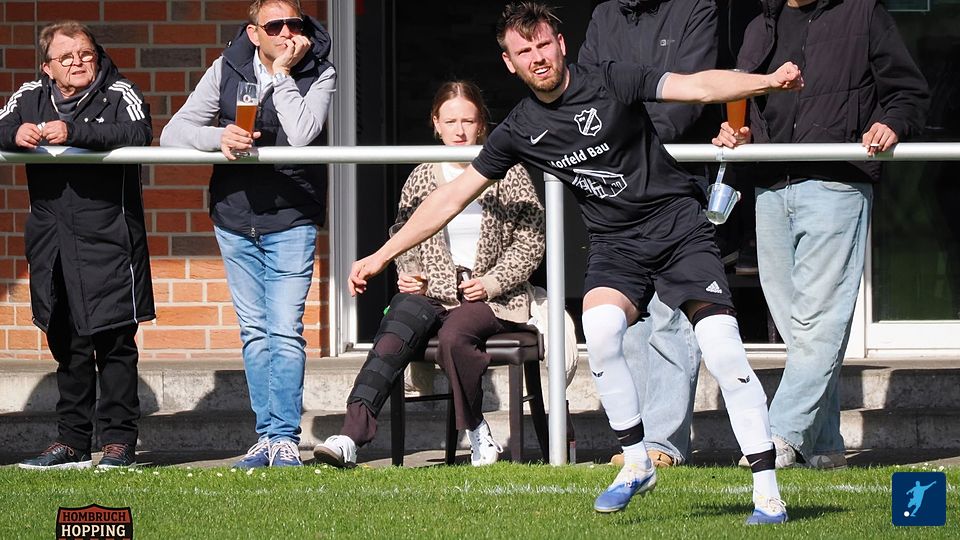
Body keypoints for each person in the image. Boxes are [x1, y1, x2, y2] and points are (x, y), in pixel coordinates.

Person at [349, 1, 802, 524]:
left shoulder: (611, 79)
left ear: (561, 44)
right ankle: (637, 463)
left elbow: (696, 85)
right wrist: (381, 256)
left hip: (678, 228)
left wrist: (766, 82)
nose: (538, 57)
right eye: (524, 51)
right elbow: (449, 198)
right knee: (602, 331)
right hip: (616, 245)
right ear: (509, 63)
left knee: (722, 348)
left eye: (544, 44)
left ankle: (767, 494)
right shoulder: (520, 128)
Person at [712, 0, 929, 470]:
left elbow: (909, 92)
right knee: (800, 331)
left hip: (837, 182)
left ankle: (777, 436)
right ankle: (825, 446)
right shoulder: (759, 26)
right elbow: (745, 107)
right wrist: (736, 133)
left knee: (819, 325)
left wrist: (892, 122)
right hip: (770, 186)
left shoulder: (863, 12)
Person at [313, 80, 545, 468]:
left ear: (481, 124)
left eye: (468, 121)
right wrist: (410, 274)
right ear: (435, 123)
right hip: (432, 294)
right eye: (450, 121)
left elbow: (531, 240)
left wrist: (491, 283)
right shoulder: (421, 175)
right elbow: (403, 234)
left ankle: (477, 430)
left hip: (492, 298)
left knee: (455, 336)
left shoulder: (510, 173)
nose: (460, 130)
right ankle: (350, 436)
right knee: (394, 330)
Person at [160, 0, 336, 468]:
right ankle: (265, 437)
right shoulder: (226, 67)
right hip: (235, 218)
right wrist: (217, 137)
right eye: (274, 26)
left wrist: (281, 74)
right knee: (255, 332)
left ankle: (284, 437)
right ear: (253, 32)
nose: (286, 33)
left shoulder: (320, 70)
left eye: (294, 24)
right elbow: (174, 133)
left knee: (285, 330)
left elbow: (303, 133)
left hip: (291, 215)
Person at [0, 21, 154, 470]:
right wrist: (15, 135)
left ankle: (119, 442)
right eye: (65, 57)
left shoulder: (119, 92)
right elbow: (1, 126)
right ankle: (71, 441)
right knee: (66, 343)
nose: (78, 63)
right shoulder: (28, 95)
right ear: (47, 67)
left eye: (85, 54)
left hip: (111, 239)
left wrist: (72, 132)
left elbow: (138, 132)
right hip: (52, 242)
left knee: (115, 344)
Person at [578, 0, 717, 469]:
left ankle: (664, 440)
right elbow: (585, 89)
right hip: (615, 188)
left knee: (670, 315)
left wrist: (620, 142)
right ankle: (635, 442)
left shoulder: (695, 8)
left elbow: (690, 95)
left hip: (674, 181)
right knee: (628, 320)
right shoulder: (604, 16)